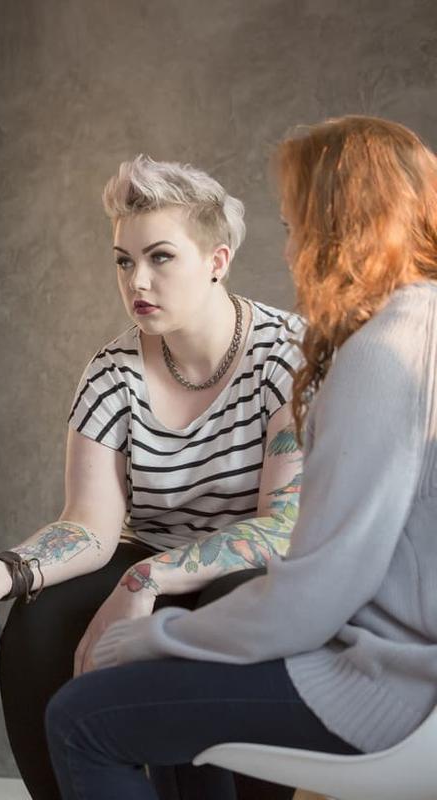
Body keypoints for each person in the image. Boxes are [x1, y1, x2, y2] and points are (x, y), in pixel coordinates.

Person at [41, 115, 437, 799]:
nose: (288, 253)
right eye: (125, 260)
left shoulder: (379, 356)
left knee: (83, 718)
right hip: (395, 659)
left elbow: (319, 586)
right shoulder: (421, 321)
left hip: (391, 684)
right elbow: (89, 520)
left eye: (294, 229)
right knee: (104, 664)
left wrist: (157, 636)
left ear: (338, 228)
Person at [0, 156, 304, 798]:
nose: (137, 280)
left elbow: (283, 526)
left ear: (217, 260)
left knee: (236, 612)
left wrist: (148, 578)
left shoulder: (287, 356)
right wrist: (7, 569)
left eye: (161, 257)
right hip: (145, 559)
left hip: (248, 570)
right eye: (124, 260)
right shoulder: (111, 372)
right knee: (35, 630)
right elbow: (90, 525)